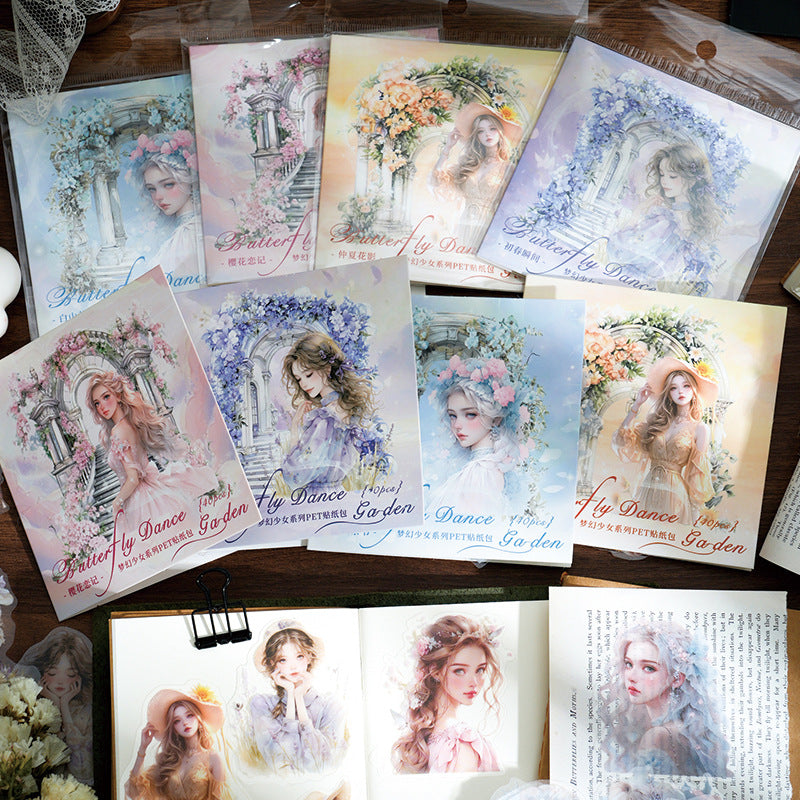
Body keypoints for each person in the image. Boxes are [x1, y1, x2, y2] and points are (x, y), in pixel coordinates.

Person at [85, 370, 217, 532]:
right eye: (97, 403)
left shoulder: (118, 431)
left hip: (140, 499)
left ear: (118, 396)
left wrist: (117, 501)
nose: (102, 407)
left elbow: (133, 479)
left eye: (106, 397)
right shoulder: (130, 423)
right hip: (149, 489)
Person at [599, 620, 730, 777]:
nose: (631, 677)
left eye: (649, 668)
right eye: (628, 664)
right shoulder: (676, 729)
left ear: (676, 679)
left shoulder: (659, 736)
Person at [605, 142, 723, 293]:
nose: (664, 181)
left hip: (634, 286)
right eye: (662, 174)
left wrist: (637, 214)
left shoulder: (668, 220)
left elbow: (620, 248)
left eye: (672, 176)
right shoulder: (674, 218)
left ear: (692, 181)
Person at [612, 356, 717, 525]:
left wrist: (693, 525)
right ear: (668, 393)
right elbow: (622, 441)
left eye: (686, 386)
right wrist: (636, 406)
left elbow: (696, 477)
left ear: (694, 390)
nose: (680, 392)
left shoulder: (700, 428)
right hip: (648, 491)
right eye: (674, 388)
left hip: (675, 497)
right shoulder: (656, 422)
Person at [392, 614, 502, 774]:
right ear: (435, 671)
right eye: (460, 670)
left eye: (480, 670)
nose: (474, 682)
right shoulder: (462, 741)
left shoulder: (426, 739)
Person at [426, 355, 524, 518]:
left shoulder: (481, 471)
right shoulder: (479, 468)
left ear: (495, 418)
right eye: (452, 416)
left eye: (470, 414)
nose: (457, 425)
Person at [280, 331, 378, 491]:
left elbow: (295, 475)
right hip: (337, 492)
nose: (303, 384)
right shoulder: (345, 406)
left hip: (318, 496)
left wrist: (294, 430)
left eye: (308, 375)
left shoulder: (325, 417)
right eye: (299, 379)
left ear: (327, 369)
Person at [247, 620, 347, 774]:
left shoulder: (331, 705)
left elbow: (321, 763)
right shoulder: (261, 704)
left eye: (299, 656)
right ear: (273, 663)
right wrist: (291, 694)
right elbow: (281, 759)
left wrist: (299, 698)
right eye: (283, 660)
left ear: (309, 657)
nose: (293, 666)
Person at [431, 103, 522, 248]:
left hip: (489, 230)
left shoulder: (508, 169)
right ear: (477, 136)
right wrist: (447, 148)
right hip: (463, 226)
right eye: (481, 131)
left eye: (492, 129)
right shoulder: (470, 164)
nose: (487, 134)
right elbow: (437, 180)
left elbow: (514, 206)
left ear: (500, 132)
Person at [19, 627, 94, 785]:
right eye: (52, 673)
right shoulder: (32, 709)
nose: (60, 681)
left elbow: (82, 770)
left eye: (70, 674)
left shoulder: (85, 713)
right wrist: (53, 701)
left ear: (79, 676)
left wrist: (64, 707)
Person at [125, 686, 228, 800]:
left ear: (199, 719)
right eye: (177, 721)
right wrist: (142, 748)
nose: (185, 723)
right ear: (173, 728)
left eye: (189, 715)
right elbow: (134, 792)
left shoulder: (213, 758)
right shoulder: (169, 761)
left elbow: (221, 797)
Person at [128, 130, 203, 285]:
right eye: (151, 189)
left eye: (168, 184)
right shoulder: (179, 232)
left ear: (189, 179)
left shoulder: (189, 233)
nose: (158, 197)